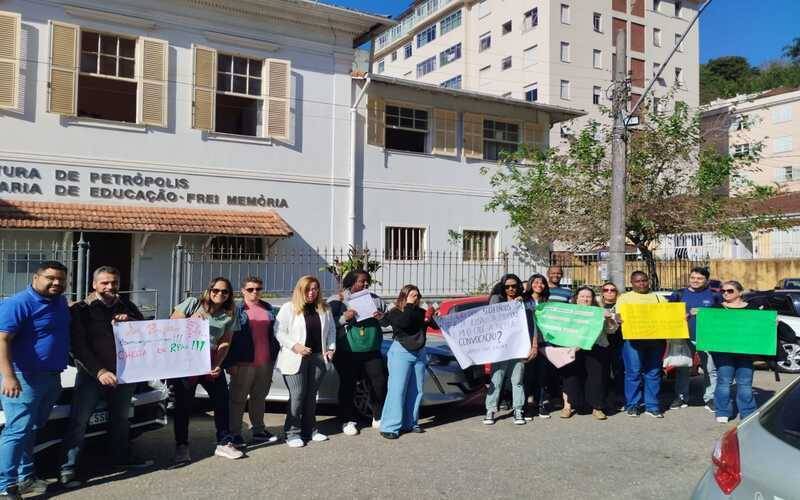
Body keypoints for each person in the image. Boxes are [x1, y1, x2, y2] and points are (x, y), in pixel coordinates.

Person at [59, 266, 152, 488]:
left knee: (120, 419)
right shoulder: (81, 309)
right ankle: (67, 468)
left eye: (114, 282)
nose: (110, 287)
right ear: (94, 284)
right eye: (104, 283)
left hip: (123, 374)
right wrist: (100, 372)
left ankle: (120, 459)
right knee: (79, 422)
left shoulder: (126, 305)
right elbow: (78, 347)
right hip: (93, 375)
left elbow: (148, 331)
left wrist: (131, 321)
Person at [0, 261, 70, 498]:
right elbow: (2, 340)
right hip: (23, 378)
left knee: (31, 429)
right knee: (17, 430)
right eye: (50, 277)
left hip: (52, 376)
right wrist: (8, 376)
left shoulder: (59, 302)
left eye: (61, 279)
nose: (57, 282)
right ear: (35, 277)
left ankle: (25, 478)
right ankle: (4, 485)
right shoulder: (18, 303)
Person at [170, 277, 242, 462]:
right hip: (187, 358)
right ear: (209, 290)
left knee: (221, 401)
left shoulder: (230, 312)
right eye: (216, 290)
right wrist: (191, 321)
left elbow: (226, 340)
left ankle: (224, 442)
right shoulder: (193, 304)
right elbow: (171, 325)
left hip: (210, 359)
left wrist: (217, 364)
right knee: (184, 406)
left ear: (229, 294)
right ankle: (182, 446)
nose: (219, 294)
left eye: (224, 291)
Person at [275, 276, 336, 448]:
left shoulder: (324, 308)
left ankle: (310, 430)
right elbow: (279, 331)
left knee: (311, 396)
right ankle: (292, 432)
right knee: (298, 395)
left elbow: (331, 330)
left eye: (315, 288)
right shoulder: (289, 308)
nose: (312, 292)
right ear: (301, 290)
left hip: (318, 357)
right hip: (295, 358)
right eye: (308, 289)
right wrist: (295, 346)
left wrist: (331, 348)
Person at [328, 270, 387, 436]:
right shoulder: (337, 300)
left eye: (368, 281)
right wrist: (344, 318)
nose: (366, 284)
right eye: (362, 281)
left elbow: (387, 320)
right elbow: (328, 324)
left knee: (379, 383)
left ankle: (378, 416)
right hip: (348, 351)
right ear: (352, 282)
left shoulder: (375, 299)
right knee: (348, 385)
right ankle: (348, 420)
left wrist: (381, 317)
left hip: (372, 349)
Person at [227, 277, 280, 449]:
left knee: (259, 398)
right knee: (238, 399)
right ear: (243, 291)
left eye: (258, 288)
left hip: (266, 362)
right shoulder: (237, 309)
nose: (254, 292)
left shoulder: (268, 308)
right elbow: (229, 338)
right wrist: (230, 362)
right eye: (250, 289)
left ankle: (258, 431)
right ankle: (234, 434)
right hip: (243, 362)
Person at [378, 285, 436, 439]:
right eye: (412, 295)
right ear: (404, 296)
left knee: (416, 390)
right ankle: (390, 426)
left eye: (417, 295)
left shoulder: (421, 312)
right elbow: (405, 323)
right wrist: (409, 305)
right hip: (401, 352)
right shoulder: (396, 312)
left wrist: (433, 315)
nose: (415, 298)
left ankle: (410, 423)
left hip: (419, 353)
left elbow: (434, 325)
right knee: (397, 390)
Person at [483, 274, 537, 426]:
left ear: (518, 286)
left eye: (514, 286)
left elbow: (532, 325)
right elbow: (491, 319)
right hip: (500, 349)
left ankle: (518, 409)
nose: (511, 289)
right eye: (507, 286)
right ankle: (490, 410)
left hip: (518, 348)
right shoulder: (497, 301)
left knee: (517, 380)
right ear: (503, 287)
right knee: (497, 379)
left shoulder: (526, 303)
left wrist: (534, 346)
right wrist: (512, 305)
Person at [558, 287, 618, 420]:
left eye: (588, 297)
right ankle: (567, 407)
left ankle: (597, 408)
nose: (585, 299)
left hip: (596, 347)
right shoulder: (568, 312)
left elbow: (611, 330)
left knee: (597, 378)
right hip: (574, 348)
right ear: (576, 298)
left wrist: (609, 319)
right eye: (582, 296)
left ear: (593, 299)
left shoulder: (599, 312)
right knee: (570, 377)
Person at [667, 267, 722, 411]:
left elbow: (724, 315)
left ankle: (710, 398)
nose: (695, 281)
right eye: (693, 278)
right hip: (685, 337)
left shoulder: (714, 295)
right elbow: (667, 314)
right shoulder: (678, 294)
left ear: (706, 280)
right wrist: (682, 316)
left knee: (710, 369)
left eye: (699, 278)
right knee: (683, 368)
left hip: (708, 337)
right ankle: (681, 397)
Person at [617, 271, 665, 418]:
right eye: (638, 281)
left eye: (644, 280)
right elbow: (619, 315)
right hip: (633, 342)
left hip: (656, 341)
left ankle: (652, 406)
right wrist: (618, 318)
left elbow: (668, 315)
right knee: (633, 373)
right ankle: (633, 405)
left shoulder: (658, 297)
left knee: (654, 373)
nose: (642, 284)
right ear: (631, 283)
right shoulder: (624, 298)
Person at [711, 281, 759, 423]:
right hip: (723, 352)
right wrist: (699, 314)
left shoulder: (753, 308)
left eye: (730, 291)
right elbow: (710, 326)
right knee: (724, 382)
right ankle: (723, 411)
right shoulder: (717, 308)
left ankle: (748, 412)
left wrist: (772, 322)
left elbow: (760, 326)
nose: (725, 293)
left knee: (745, 383)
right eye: (723, 291)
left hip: (746, 352)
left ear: (740, 292)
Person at [524, 273, 557, 419]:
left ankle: (541, 404)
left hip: (545, 342)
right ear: (531, 283)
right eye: (536, 282)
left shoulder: (547, 303)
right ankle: (527, 406)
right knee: (528, 375)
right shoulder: (523, 301)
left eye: (542, 283)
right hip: (527, 343)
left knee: (543, 375)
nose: (539, 285)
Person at [599, 282, 625, 409]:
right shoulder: (597, 305)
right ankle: (602, 397)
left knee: (619, 370)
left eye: (612, 290)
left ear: (617, 292)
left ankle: (619, 396)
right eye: (606, 290)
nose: (609, 292)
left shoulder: (622, 305)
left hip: (619, 342)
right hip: (601, 342)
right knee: (602, 370)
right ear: (602, 292)